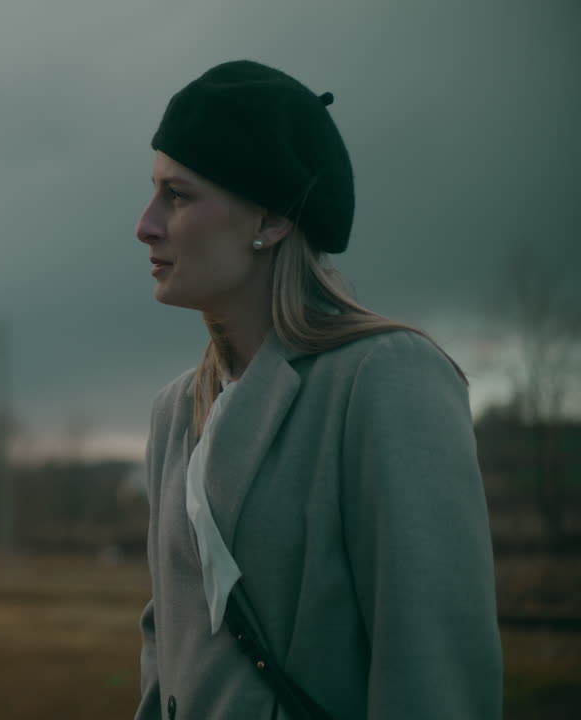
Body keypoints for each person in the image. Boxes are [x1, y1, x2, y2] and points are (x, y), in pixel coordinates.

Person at [133, 61, 501, 719]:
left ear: (272, 219)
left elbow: (433, 668)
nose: (146, 224)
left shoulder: (387, 379)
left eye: (177, 196)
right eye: (153, 192)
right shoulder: (174, 413)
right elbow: (167, 656)